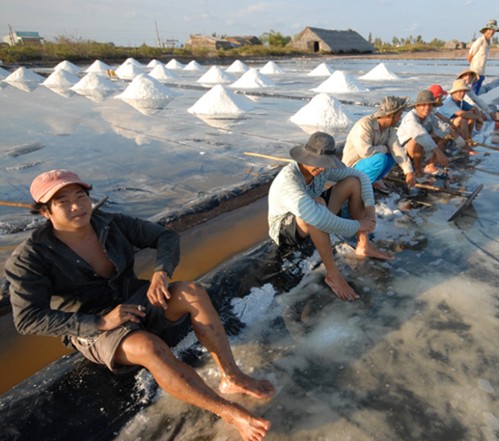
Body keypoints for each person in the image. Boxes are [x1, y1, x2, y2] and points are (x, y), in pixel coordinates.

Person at [4, 170, 274, 441]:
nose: (77, 206)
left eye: (81, 196)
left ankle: (233, 376)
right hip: (90, 323)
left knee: (192, 291)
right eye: (63, 201)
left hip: (134, 298)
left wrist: (161, 272)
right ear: (45, 212)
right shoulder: (29, 258)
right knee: (149, 347)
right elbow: (28, 318)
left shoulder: (110, 223)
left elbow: (165, 237)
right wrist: (101, 322)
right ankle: (226, 411)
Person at [269, 132, 393, 301]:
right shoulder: (288, 181)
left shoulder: (321, 170)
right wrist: (357, 225)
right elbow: (316, 217)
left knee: (352, 183)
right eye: (317, 163)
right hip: (286, 229)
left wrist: (370, 210)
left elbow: (361, 176)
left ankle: (363, 244)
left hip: (315, 211)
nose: (322, 168)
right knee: (317, 204)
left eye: (325, 164)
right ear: (305, 157)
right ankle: (333, 275)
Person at [342, 96, 416, 189]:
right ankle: (361, 187)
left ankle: (373, 180)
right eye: (399, 115)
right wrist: (385, 149)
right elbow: (366, 152)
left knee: (394, 157)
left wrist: (409, 172)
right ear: (391, 115)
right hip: (352, 167)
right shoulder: (365, 124)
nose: (399, 119)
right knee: (381, 158)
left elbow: (397, 150)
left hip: (368, 164)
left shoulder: (389, 129)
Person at [397, 90, 450, 177]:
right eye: (423, 105)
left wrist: (434, 135)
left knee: (440, 138)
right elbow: (419, 135)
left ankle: (430, 165)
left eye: (430, 105)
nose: (427, 107)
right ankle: (417, 171)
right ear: (417, 106)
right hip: (404, 150)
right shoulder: (411, 118)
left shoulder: (430, 116)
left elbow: (445, 128)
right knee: (418, 140)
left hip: (422, 147)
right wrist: (439, 152)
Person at [444, 79, 484, 153]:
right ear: (453, 92)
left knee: (471, 112)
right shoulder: (449, 102)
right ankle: (465, 144)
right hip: (443, 127)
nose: (462, 94)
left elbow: (474, 108)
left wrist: (479, 120)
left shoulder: (460, 101)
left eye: (464, 91)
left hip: (453, 125)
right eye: (459, 91)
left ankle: (469, 138)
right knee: (463, 118)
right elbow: (463, 114)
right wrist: (478, 118)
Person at [467, 19, 499, 94]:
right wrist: (474, 69)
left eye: (493, 30)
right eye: (490, 29)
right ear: (486, 30)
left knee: (475, 93)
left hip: (481, 72)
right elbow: (469, 56)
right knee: (473, 94)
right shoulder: (480, 41)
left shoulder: (488, 42)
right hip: (476, 73)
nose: (492, 32)